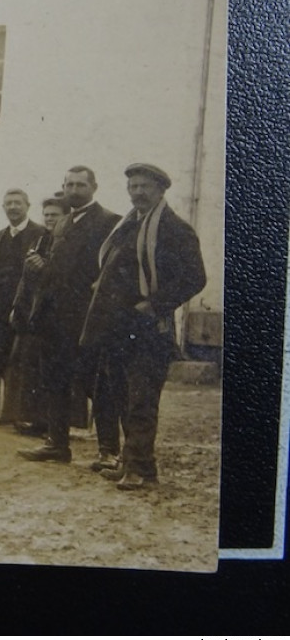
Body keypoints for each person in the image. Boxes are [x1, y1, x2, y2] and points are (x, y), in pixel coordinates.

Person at [80, 164, 207, 491]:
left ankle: (142, 471)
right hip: (116, 328)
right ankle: (131, 462)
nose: (137, 192)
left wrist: (154, 305)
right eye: (133, 186)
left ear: (161, 190)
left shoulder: (174, 228)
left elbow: (195, 277)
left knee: (141, 400)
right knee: (122, 397)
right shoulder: (126, 226)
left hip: (149, 330)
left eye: (145, 187)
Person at [19, 166, 119, 465]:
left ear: (94, 187)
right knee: (55, 381)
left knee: (96, 384)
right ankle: (57, 444)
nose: (74, 190)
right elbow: (57, 268)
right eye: (69, 185)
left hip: (87, 318)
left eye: (81, 185)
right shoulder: (62, 223)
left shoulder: (109, 222)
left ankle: (109, 451)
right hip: (54, 318)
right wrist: (39, 266)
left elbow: (106, 272)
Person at [0, 194, 68, 434]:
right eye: (47, 215)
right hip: (32, 310)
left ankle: (51, 423)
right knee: (29, 364)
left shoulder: (66, 241)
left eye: (55, 215)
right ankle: (35, 418)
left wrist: (45, 266)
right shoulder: (43, 239)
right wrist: (19, 307)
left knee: (50, 368)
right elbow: (26, 278)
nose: (50, 219)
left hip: (55, 312)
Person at [0, 190, 45, 428]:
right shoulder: (0, 235)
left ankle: (27, 413)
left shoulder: (39, 233)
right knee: (2, 355)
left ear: (27, 206)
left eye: (17, 203)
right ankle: (8, 410)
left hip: (26, 305)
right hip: (0, 305)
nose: (13, 207)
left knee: (24, 357)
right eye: (9, 203)